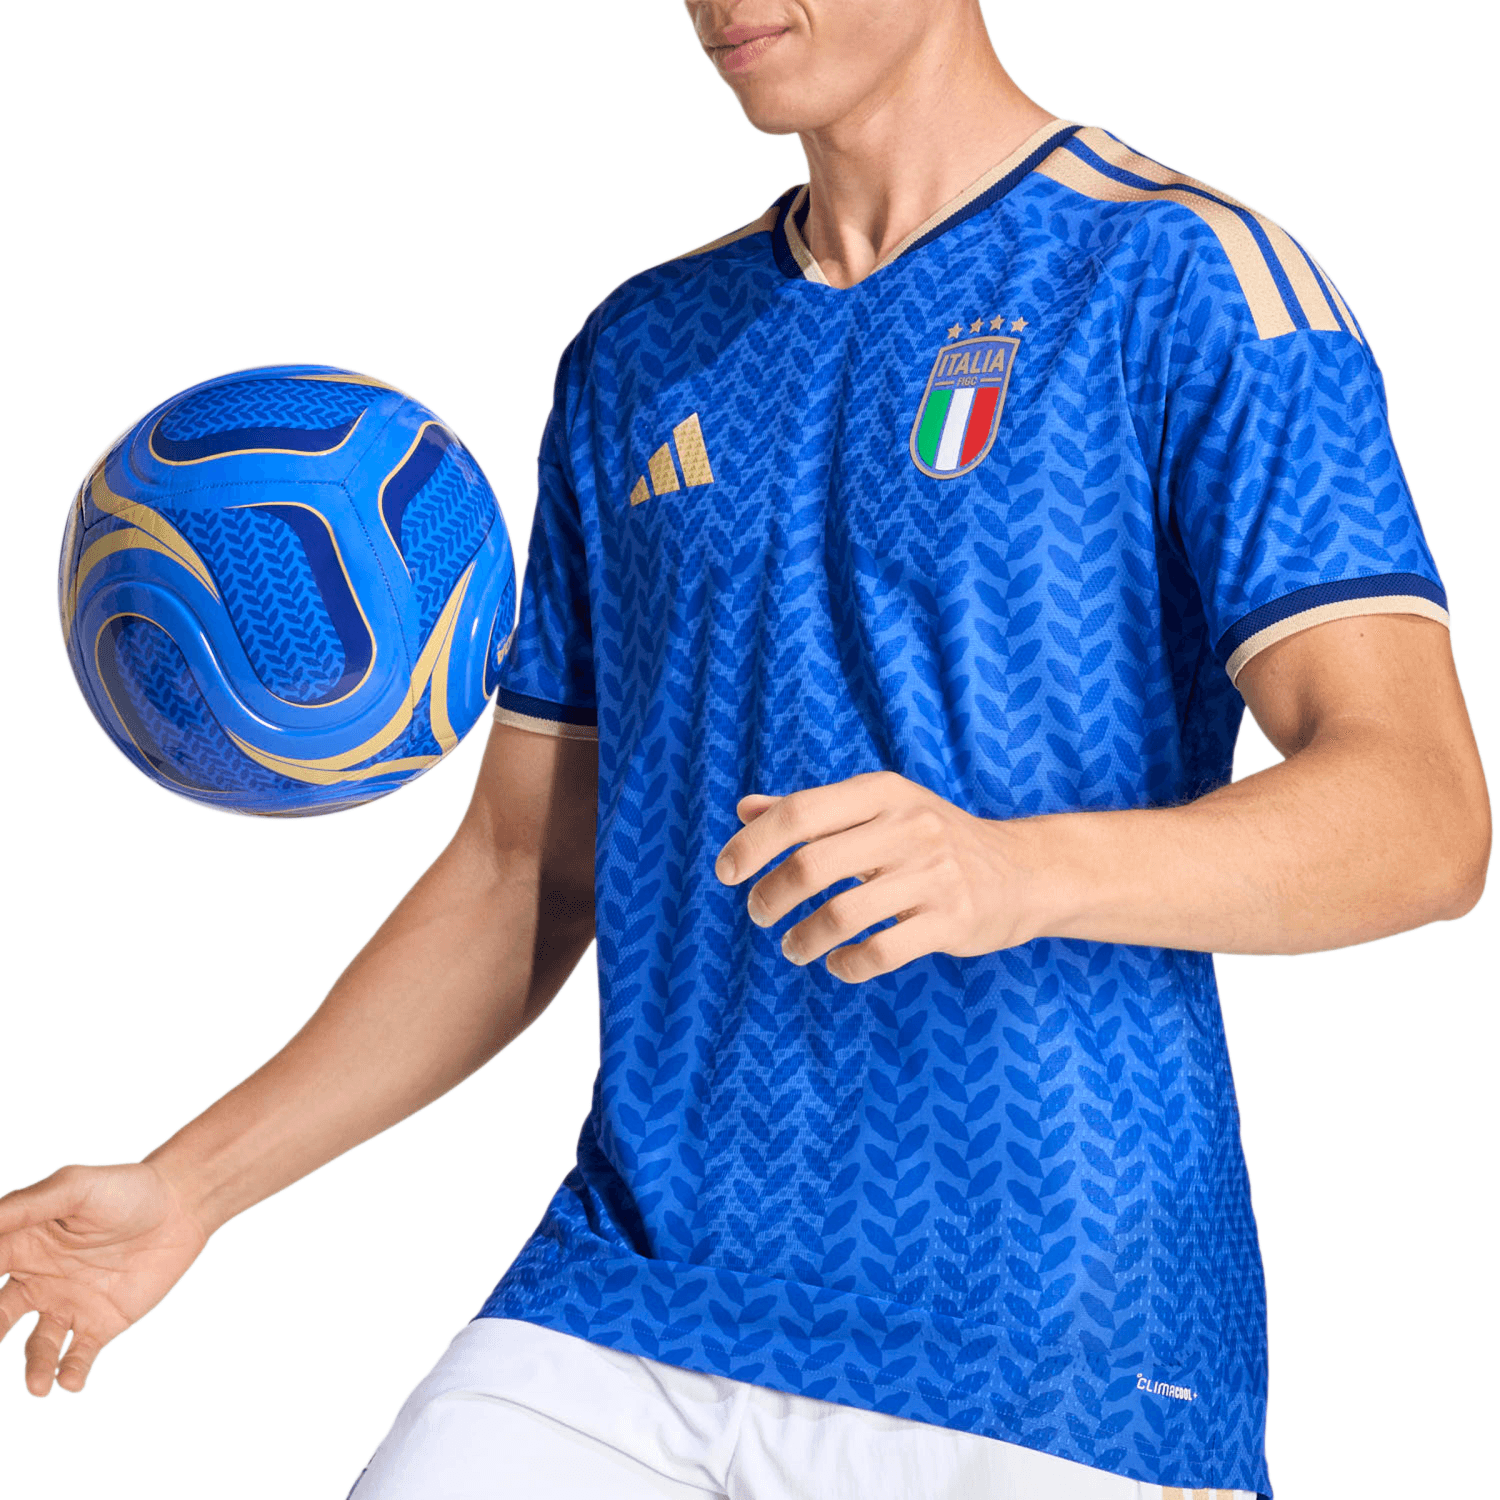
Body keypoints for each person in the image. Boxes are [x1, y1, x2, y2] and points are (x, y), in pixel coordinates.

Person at [1, 2, 1489, 1496]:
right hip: (633, 1291)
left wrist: (1011, 871)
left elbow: (1423, 816)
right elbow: (526, 867)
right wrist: (191, 1187)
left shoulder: (1184, 281)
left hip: (1049, 1345)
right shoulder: (641, 353)